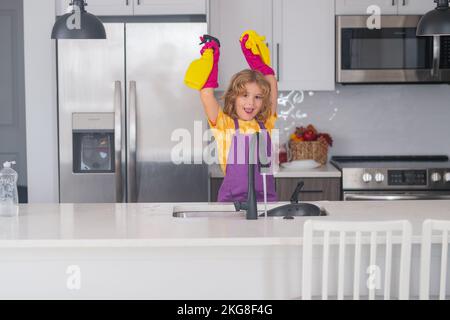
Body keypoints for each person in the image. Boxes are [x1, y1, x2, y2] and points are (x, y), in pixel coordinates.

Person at [196, 32, 278, 202]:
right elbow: (206, 95)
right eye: (245, 95)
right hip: (232, 204)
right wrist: (213, 56)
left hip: (266, 202)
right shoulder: (223, 124)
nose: (251, 103)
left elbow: (271, 82)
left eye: (258, 97)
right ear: (233, 97)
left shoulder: (266, 122)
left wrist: (252, 56)